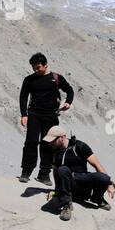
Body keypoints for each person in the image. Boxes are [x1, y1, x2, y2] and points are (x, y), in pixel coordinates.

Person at [18, 52, 74, 185]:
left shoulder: (56, 78)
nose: (35, 70)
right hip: (34, 115)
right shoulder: (29, 80)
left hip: (51, 116)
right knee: (31, 142)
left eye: (38, 67)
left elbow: (70, 90)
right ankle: (26, 172)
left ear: (45, 65)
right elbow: (23, 97)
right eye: (33, 68)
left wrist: (68, 102)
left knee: (48, 144)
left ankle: (44, 174)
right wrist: (24, 114)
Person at [43, 126, 114, 222]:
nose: (50, 143)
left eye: (53, 140)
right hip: (69, 187)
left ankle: (97, 199)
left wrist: (109, 184)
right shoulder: (53, 151)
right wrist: (57, 190)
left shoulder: (80, 146)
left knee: (105, 178)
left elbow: (96, 164)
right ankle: (66, 205)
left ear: (62, 137)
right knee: (63, 169)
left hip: (83, 183)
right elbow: (56, 172)